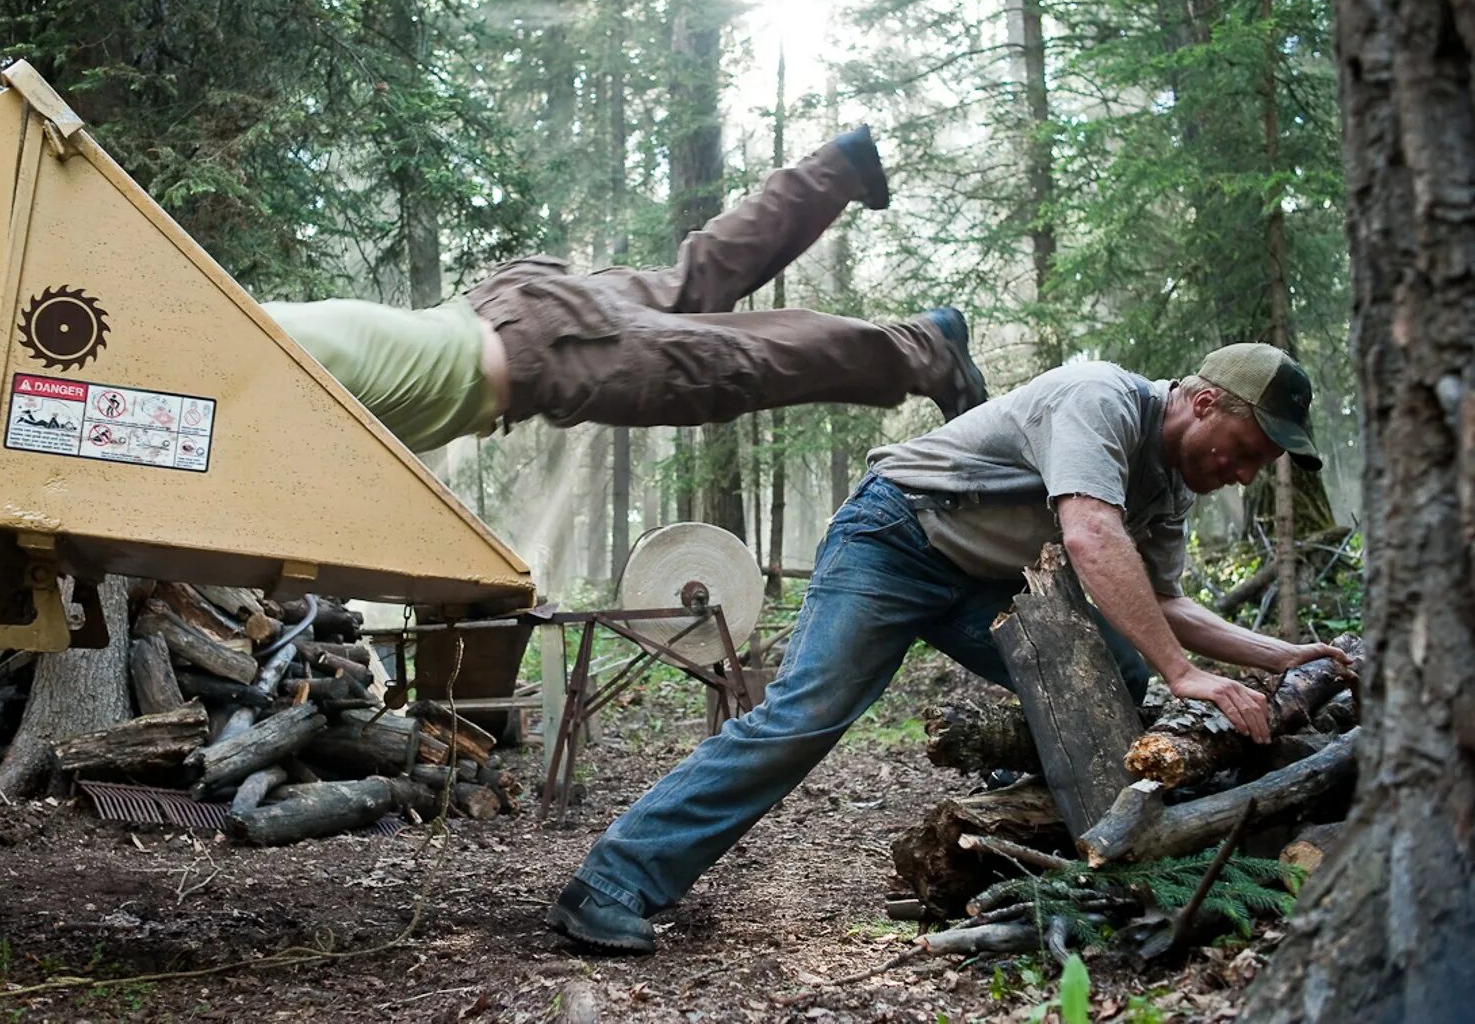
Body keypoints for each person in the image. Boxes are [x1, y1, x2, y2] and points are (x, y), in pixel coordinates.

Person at [547, 341, 1355, 954]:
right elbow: (1090, 532)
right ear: (1206, 402)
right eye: (1248, 452)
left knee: (1119, 667)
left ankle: (1054, 831)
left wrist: (1280, 658)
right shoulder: (1100, 397)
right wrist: (1189, 677)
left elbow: (1169, 601)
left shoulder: (1170, 485)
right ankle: (612, 882)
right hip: (895, 536)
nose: (1246, 475)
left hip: (985, 580)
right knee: (806, 715)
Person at [262, 127, 988, 453]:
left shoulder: (238, 368)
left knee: (734, 368)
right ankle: (837, 167)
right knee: (695, 281)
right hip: (516, 307)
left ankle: (925, 347)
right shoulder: (240, 330)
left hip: (551, 353)